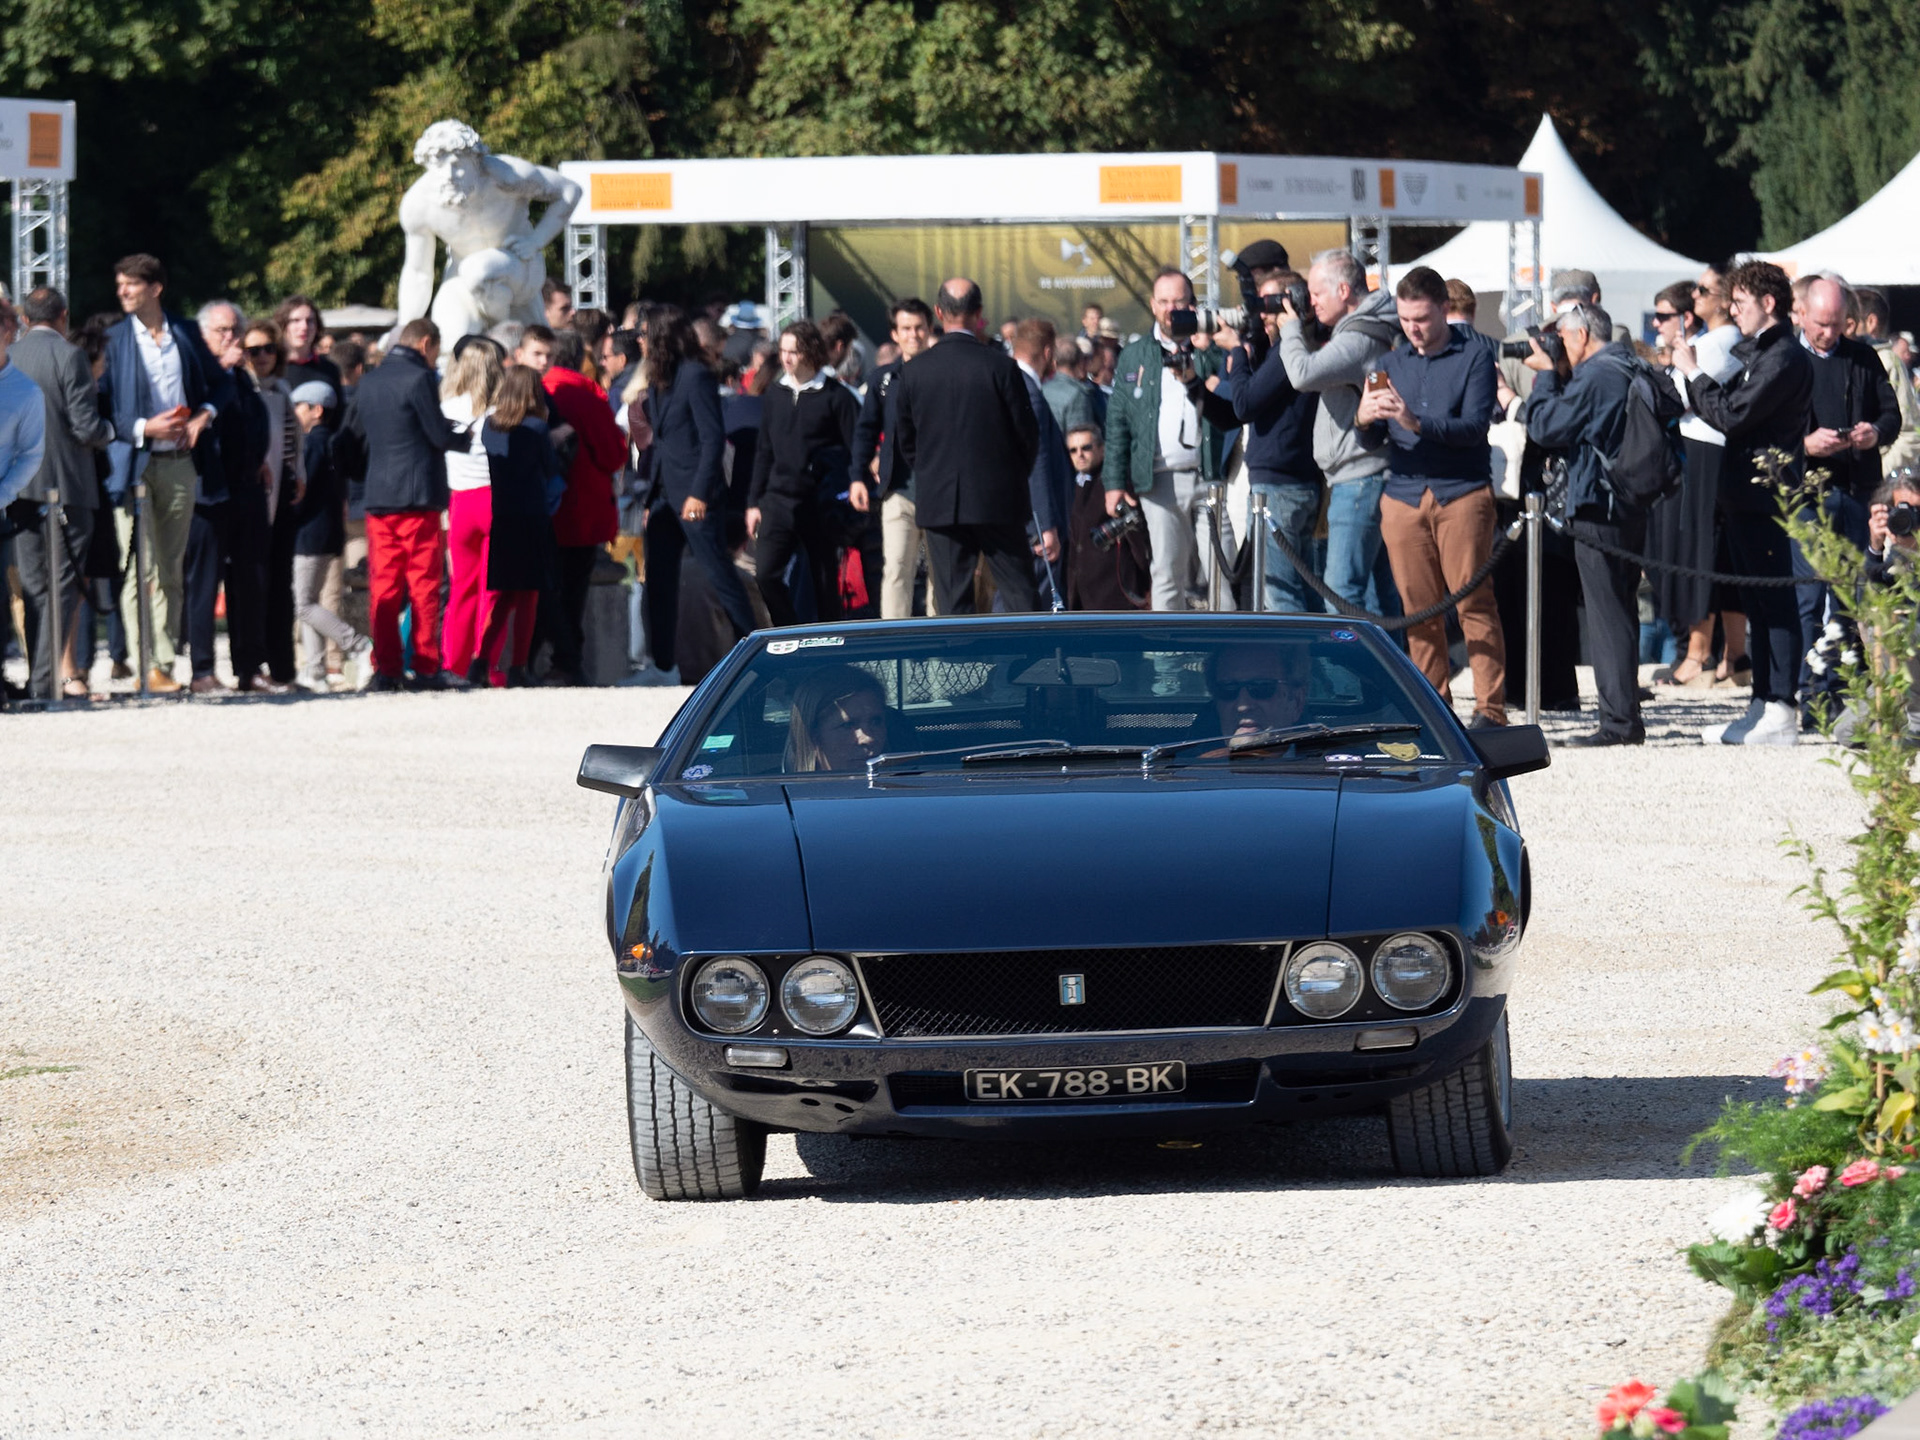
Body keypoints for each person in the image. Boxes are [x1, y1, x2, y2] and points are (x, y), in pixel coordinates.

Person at [1670, 259, 1813, 745]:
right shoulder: (1757, 351)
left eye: (1741, 303)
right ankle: (1763, 701)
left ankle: (1781, 706)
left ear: (1768, 304)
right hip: (1742, 493)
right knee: (1755, 599)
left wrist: (1693, 373)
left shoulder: (1785, 357)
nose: (1733, 311)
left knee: (1775, 601)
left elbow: (1732, 414)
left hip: (1767, 494)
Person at [1357, 265, 1506, 727]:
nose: (1412, 328)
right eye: (1404, 319)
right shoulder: (1390, 362)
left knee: (1472, 603)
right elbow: (1371, 441)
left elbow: (1475, 427)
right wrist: (1363, 418)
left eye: (1421, 318)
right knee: (1417, 610)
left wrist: (1416, 422)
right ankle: (1436, 709)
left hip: (1460, 493)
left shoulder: (1476, 356)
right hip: (1402, 495)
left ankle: (1490, 709)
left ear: (1445, 309)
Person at [1521, 303, 1653, 746]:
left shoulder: (1598, 375)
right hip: (1628, 501)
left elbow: (1545, 426)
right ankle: (1622, 713)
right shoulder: (1627, 362)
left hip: (1600, 504)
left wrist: (1543, 373)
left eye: (1559, 335)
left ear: (1579, 335)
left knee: (1607, 614)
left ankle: (1618, 723)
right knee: (1620, 609)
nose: (1556, 343)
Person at [892, 279, 1049, 614]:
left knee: (951, 603)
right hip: (999, 499)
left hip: (941, 500)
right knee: (1021, 594)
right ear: (979, 314)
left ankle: (960, 666)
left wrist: (934, 473)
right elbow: (1027, 435)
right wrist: (1010, 476)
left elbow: (906, 441)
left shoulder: (915, 371)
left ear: (938, 313)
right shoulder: (1001, 367)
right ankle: (1030, 663)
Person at [103, 253, 220, 693]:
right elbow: (98, 407)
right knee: (138, 568)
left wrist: (201, 417)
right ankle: (144, 663)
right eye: (120, 286)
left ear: (155, 288)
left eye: (131, 284)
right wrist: (141, 428)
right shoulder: (113, 340)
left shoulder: (185, 333)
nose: (124, 293)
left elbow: (219, 385)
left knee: (170, 567)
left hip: (180, 463)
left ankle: (165, 665)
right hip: (133, 463)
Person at [1795, 275, 1899, 727]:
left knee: (1850, 598)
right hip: (1807, 494)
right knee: (1805, 597)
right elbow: (1760, 432)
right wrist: (1805, 444)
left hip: (1856, 492)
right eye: (1822, 323)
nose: (1830, 333)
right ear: (1802, 314)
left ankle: (1838, 692)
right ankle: (1806, 692)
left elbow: (1891, 414)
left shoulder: (1863, 357)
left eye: (1838, 324)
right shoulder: (1787, 360)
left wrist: (1872, 432)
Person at [1277, 247, 1403, 614]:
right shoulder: (1375, 325)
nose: (1311, 302)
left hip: (1359, 477)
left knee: (1342, 594)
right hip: (1371, 473)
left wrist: (1289, 329)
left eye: (1317, 293)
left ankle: (1346, 673)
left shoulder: (1357, 338)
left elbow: (1301, 374)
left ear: (1344, 291)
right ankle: (1384, 672)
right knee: (1381, 600)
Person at [343, 316, 466, 691]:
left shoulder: (369, 380)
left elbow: (348, 441)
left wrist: (365, 477)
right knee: (424, 585)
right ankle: (427, 667)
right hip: (418, 499)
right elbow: (436, 434)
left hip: (379, 499)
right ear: (425, 343)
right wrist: (463, 438)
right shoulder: (419, 379)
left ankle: (387, 669)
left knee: (384, 587)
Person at [640, 306, 760, 674]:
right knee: (658, 582)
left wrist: (700, 494)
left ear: (661, 339)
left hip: (695, 494)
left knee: (718, 574)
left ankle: (754, 655)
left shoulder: (696, 376)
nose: (641, 343)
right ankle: (662, 665)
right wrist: (651, 495)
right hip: (663, 495)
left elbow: (711, 441)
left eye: (646, 336)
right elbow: (661, 441)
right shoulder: (659, 380)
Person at [1102, 265, 1229, 611]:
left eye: (1180, 301)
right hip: (1158, 479)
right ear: (1153, 305)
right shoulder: (1135, 354)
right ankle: (1167, 659)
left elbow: (1235, 393)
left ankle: (1226, 654)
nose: (1172, 309)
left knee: (1223, 571)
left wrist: (1208, 350)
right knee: (1167, 573)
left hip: (1213, 475)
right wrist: (1114, 482)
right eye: (1164, 301)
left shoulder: (1212, 348)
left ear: (1193, 305)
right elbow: (1117, 422)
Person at [11, 287, 108, 701]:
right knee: (63, 586)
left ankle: (39, 679)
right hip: (67, 487)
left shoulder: (9, 357)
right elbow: (87, 427)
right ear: (63, 316)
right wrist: (112, 431)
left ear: (24, 318)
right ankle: (47, 682)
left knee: (33, 586)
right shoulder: (69, 356)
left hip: (18, 489)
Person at [747, 319, 861, 626]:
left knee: (824, 578)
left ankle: (830, 638)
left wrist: (851, 484)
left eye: (793, 352)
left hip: (820, 501)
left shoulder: (837, 396)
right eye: (783, 351)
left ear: (810, 353)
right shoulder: (775, 393)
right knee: (766, 574)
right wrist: (753, 502)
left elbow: (856, 448)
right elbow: (764, 451)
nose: (786, 358)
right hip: (778, 499)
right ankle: (789, 631)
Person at [1220, 270, 1321, 612]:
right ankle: (1314, 664)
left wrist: (1236, 356)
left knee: (1281, 594)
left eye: (1270, 304)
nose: (1261, 313)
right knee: (1303, 591)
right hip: (1290, 481)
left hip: (1280, 486)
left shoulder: (1289, 351)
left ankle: (1296, 666)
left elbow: (1244, 404)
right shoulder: (1290, 348)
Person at [540, 326, 627, 683]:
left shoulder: (540, 391)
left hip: (545, 504)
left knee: (548, 585)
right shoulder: (588, 397)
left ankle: (557, 657)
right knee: (572, 587)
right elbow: (613, 455)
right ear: (580, 358)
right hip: (583, 506)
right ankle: (568, 659)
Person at [197, 301, 271, 693]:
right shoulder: (201, 374)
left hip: (247, 487)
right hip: (211, 489)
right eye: (221, 331)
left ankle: (249, 666)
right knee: (207, 582)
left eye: (234, 330)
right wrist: (222, 368)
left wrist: (261, 459)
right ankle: (203, 669)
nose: (231, 338)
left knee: (251, 578)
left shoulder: (243, 379)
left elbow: (254, 422)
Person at [850, 297, 937, 619]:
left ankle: (941, 650)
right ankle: (894, 646)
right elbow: (866, 430)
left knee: (939, 579)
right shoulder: (883, 380)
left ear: (929, 330)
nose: (913, 335)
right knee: (896, 570)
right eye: (906, 329)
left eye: (919, 328)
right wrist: (857, 476)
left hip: (940, 491)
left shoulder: (943, 374)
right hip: (898, 490)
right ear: (895, 334)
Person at [477, 367, 562, 686]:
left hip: (503, 515)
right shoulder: (537, 427)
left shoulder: (490, 425)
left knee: (502, 595)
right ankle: (518, 666)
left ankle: (481, 660)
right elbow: (551, 474)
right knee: (528, 597)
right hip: (532, 515)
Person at [287, 380, 369, 691]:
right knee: (309, 600)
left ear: (316, 410)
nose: (295, 413)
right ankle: (315, 669)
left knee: (303, 604)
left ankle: (357, 645)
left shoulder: (311, 445)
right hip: (330, 532)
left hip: (309, 533)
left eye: (299, 407)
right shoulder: (335, 442)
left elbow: (300, 493)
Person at [238, 320, 305, 692]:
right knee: (256, 583)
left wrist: (300, 474)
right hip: (253, 499)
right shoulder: (243, 391)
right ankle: (255, 665)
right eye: (254, 350)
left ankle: (284, 669)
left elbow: (296, 445)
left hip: (284, 497)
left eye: (268, 349)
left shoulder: (283, 390)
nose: (262, 356)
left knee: (283, 585)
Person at [439, 338, 504, 680]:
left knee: (460, 588)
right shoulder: (500, 411)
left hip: (459, 501)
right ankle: (486, 662)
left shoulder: (447, 406)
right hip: (493, 499)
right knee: (491, 590)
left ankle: (454, 663)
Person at [1064, 425, 1147, 610]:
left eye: (1086, 447)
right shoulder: (1076, 484)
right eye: (1073, 450)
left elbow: (1137, 538)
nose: (1080, 455)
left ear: (1102, 448)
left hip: (1115, 593)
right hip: (1082, 597)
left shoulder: (1116, 483)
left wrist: (1144, 584)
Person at [785, 665, 893, 772]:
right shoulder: (776, 787)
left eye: (876, 722)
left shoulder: (905, 786)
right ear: (813, 736)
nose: (868, 739)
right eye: (848, 725)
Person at [1202, 643, 1309, 739]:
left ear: (1296, 702)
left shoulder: (1321, 759)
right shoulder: (1188, 760)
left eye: (1261, 687)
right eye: (1228, 688)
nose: (1243, 706)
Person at [277, 296, 343, 420]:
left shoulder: (329, 369)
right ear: (283, 325)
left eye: (310, 320)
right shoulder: (272, 368)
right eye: (296, 320)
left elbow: (339, 418)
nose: (304, 327)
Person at [1042, 336, 1099, 436]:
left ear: (1054, 363)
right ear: (1079, 362)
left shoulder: (1043, 389)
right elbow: (1080, 439)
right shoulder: (1077, 396)